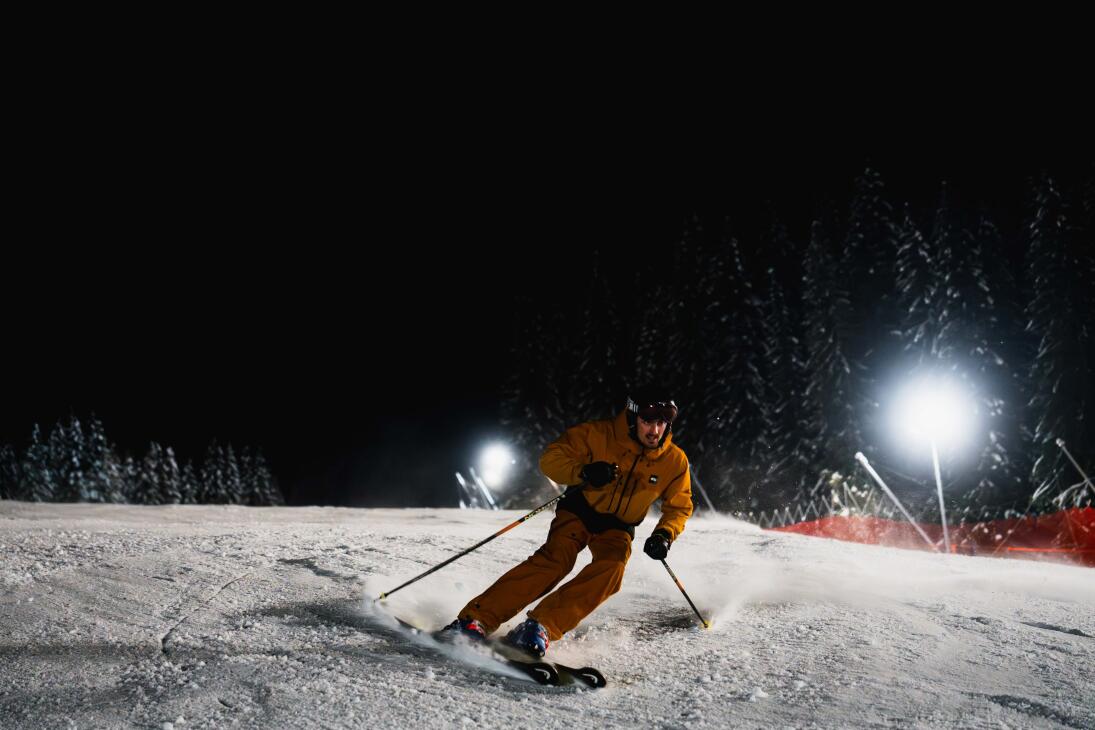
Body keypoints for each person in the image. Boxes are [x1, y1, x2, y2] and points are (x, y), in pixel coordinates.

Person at [444, 386, 693, 656]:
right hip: (579, 511)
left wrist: (664, 535)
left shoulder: (674, 460)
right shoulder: (598, 434)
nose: (654, 431)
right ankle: (475, 620)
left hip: (617, 527)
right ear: (633, 418)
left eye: (661, 423)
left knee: (612, 569)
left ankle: (538, 627)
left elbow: (679, 506)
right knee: (556, 560)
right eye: (648, 421)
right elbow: (551, 460)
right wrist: (583, 472)